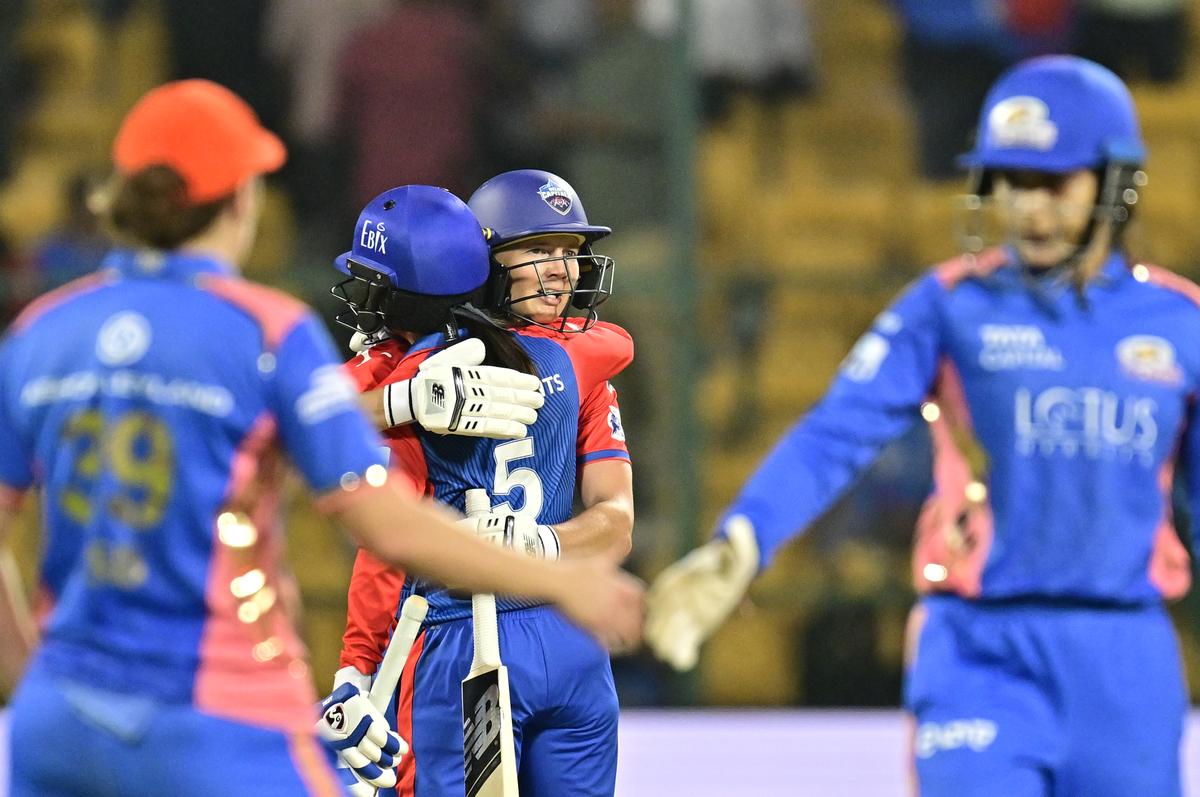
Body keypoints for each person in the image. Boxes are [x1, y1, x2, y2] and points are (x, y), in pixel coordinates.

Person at [0, 80, 643, 797]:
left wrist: (30, 682)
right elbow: (386, 522)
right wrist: (558, 574)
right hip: (225, 708)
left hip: (59, 714)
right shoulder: (266, 334)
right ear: (244, 198)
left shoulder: (37, 334)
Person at [645, 55, 1196, 796]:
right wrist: (746, 537)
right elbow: (838, 429)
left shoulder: (1182, 323)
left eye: (1053, 183)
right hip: (979, 649)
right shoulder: (947, 307)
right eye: (1012, 182)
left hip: (1127, 660)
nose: (1029, 209)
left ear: (1116, 181)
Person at [333, 169, 634, 796]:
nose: (564, 272)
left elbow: (386, 535)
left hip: (467, 639)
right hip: (567, 634)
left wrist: (356, 668)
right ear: (485, 260)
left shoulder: (414, 368)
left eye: (570, 253)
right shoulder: (582, 358)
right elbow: (612, 348)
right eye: (540, 251)